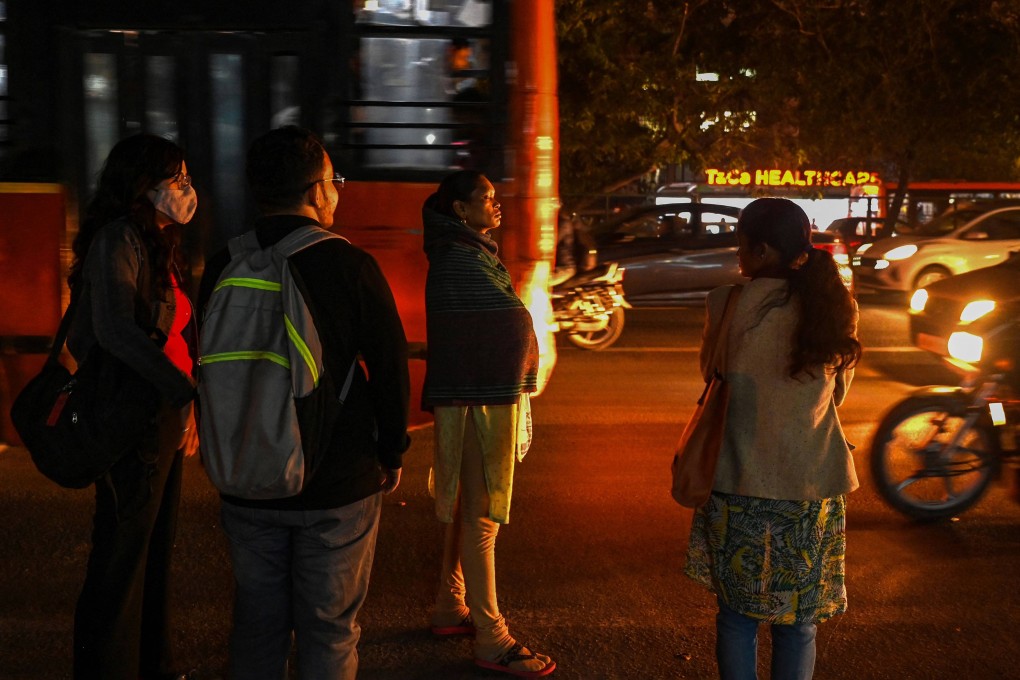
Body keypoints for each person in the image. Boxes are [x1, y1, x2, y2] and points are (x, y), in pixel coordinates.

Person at [197, 126, 410, 680]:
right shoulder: (350, 265)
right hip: (338, 483)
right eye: (334, 180)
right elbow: (389, 369)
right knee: (330, 628)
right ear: (316, 190)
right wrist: (392, 451)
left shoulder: (223, 263)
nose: (337, 191)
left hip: (246, 479)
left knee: (257, 625)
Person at [683, 197, 862, 680]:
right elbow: (837, 394)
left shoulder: (726, 302)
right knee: (799, 621)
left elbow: (712, 375)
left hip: (735, 477)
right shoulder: (833, 303)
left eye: (742, 246)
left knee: (737, 617)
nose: (738, 256)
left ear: (761, 250)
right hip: (809, 485)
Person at [66, 134, 200, 680]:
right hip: (133, 416)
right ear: (142, 185)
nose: (188, 190)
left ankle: (150, 664)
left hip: (159, 416)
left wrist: (181, 406)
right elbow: (113, 330)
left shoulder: (152, 242)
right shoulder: (118, 238)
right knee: (123, 555)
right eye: (177, 179)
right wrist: (180, 391)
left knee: (150, 552)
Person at [422, 170, 555, 678]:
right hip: (478, 399)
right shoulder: (459, 257)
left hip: (476, 393)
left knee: (469, 508)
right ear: (460, 208)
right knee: (482, 517)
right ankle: (491, 637)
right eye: (487, 199)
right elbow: (498, 321)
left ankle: (449, 606)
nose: (496, 206)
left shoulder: (468, 251)